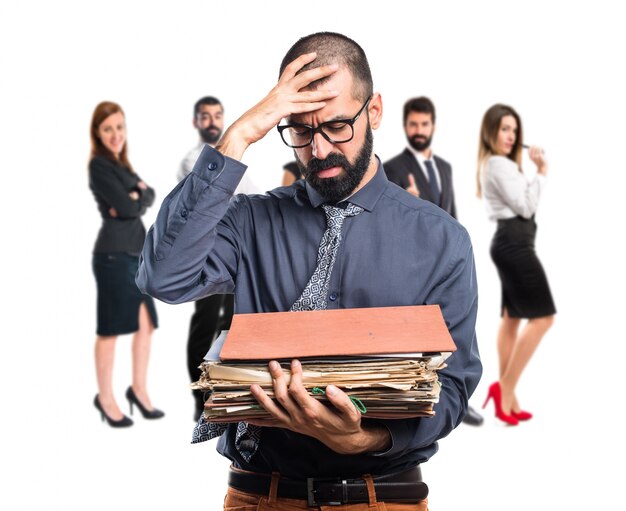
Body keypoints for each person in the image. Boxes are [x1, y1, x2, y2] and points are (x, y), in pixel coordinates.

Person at [138, 32, 481, 510]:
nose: (318, 150)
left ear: (375, 112)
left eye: (338, 125)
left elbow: (454, 385)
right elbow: (163, 277)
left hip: (382, 497)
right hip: (262, 496)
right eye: (299, 130)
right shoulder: (248, 220)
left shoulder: (443, 240)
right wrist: (238, 136)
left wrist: (363, 439)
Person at [384, 97, 483, 427]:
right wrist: (413, 204)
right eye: (413, 124)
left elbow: (450, 215)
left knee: (457, 331)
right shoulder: (394, 169)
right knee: (421, 339)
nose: (419, 131)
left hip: (447, 263)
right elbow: (391, 220)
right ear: (405, 127)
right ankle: (422, 397)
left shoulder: (444, 167)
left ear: (433, 126)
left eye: (424, 124)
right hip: (412, 266)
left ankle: (456, 395)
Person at [476, 103, 556, 426]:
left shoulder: (503, 164)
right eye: (504, 129)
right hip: (514, 243)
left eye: (514, 129)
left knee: (512, 318)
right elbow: (525, 206)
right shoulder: (497, 164)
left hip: (515, 242)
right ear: (491, 131)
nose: (510, 135)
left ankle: (508, 397)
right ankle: (504, 388)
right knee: (543, 318)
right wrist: (542, 172)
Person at [88, 101, 164, 427]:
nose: (115, 134)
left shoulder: (122, 165)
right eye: (108, 129)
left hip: (137, 255)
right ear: (98, 133)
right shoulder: (99, 166)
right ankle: (105, 398)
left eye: (119, 127)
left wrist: (136, 197)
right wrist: (134, 198)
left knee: (146, 325)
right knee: (111, 330)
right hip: (113, 257)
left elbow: (149, 196)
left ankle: (139, 390)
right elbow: (130, 206)